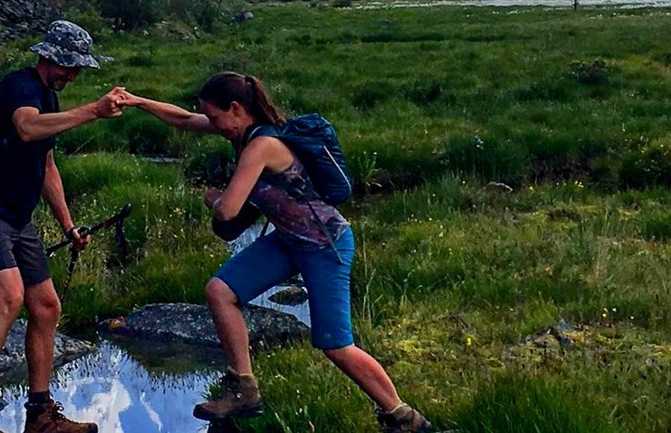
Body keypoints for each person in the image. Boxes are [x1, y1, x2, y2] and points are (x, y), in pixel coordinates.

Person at [118, 73, 435, 433]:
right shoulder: (239, 131)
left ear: (236, 109)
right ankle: (244, 389)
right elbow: (185, 119)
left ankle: (403, 417)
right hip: (288, 241)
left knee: (335, 345)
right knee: (220, 292)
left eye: (216, 118)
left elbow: (228, 211)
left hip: (324, 245)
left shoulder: (262, 145)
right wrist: (137, 101)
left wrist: (214, 199)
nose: (214, 126)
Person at [0, 20, 124, 433]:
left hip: (18, 217)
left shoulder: (48, 95)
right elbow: (27, 128)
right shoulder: (21, 86)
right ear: (51, 57)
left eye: (78, 68)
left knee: (46, 307)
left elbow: (47, 166)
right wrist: (93, 111)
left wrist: (68, 226)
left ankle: (41, 416)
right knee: (9, 297)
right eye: (70, 66)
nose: (73, 75)